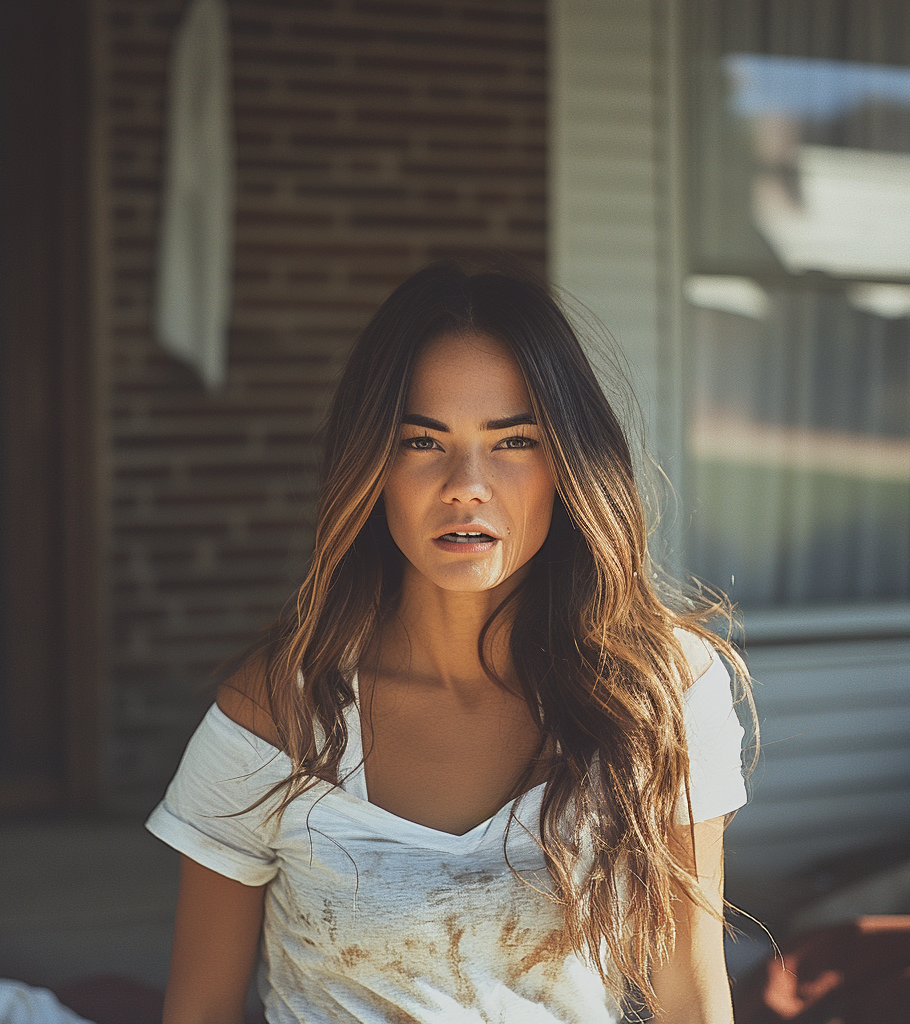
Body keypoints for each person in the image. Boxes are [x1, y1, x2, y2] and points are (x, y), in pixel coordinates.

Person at [146, 262, 754, 1024]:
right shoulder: (273, 714)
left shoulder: (659, 693)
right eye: (422, 442)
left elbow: (692, 999)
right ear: (373, 467)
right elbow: (197, 1009)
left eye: (513, 441)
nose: (467, 483)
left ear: (568, 462)